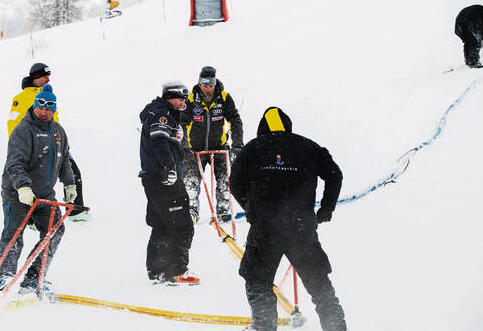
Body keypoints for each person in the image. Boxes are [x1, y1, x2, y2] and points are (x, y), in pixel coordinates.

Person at [230, 107, 347, 331]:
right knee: (321, 288)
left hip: (264, 231)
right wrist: (326, 209)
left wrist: (250, 207)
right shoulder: (309, 147)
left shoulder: (253, 148)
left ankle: (263, 326)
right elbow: (335, 175)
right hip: (301, 229)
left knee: (257, 282)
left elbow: (234, 182)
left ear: (263, 129)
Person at [0, 84, 76, 294]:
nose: (44, 111)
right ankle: (3, 279)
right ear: (35, 105)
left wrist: (69, 183)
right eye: (41, 106)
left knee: (55, 231)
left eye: (49, 108)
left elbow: (65, 159)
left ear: (54, 110)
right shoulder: (23, 130)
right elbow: (15, 162)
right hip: (17, 193)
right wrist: (23, 186)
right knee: (13, 235)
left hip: (45, 195)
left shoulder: (58, 131)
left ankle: (33, 278)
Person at [8, 62, 90, 222]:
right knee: (34, 182)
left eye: (49, 76)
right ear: (36, 77)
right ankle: (32, 219)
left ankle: (75, 210)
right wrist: (20, 147)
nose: (48, 79)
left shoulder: (48, 96)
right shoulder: (22, 98)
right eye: (45, 76)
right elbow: (12, 124)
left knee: (72, 173)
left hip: (55, 145)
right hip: (33, 146)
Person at [138, 80, 200, 285]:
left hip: (154, 177)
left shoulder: (162, 113)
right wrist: (170, 169)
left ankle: (157, 271)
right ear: (170, 97)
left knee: (162, 223)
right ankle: (177, 270)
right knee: (182, 224)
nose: (184, 102)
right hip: (163, 177)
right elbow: (160, 142)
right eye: (181, 98)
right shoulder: (162, 114)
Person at [180, 66, 243, 223]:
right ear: (199, 83)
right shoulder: (191, 99)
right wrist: (184, 145)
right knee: (191, 183)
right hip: (195, 150)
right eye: (204, 84)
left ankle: (223, 211)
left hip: (219, 148)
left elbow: (235, 121)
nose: (207, 89)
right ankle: (191, 212)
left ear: (215, 83)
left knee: (224, 182)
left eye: (210, 85)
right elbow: (182, 123)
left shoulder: (224, 97)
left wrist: (237, 145)